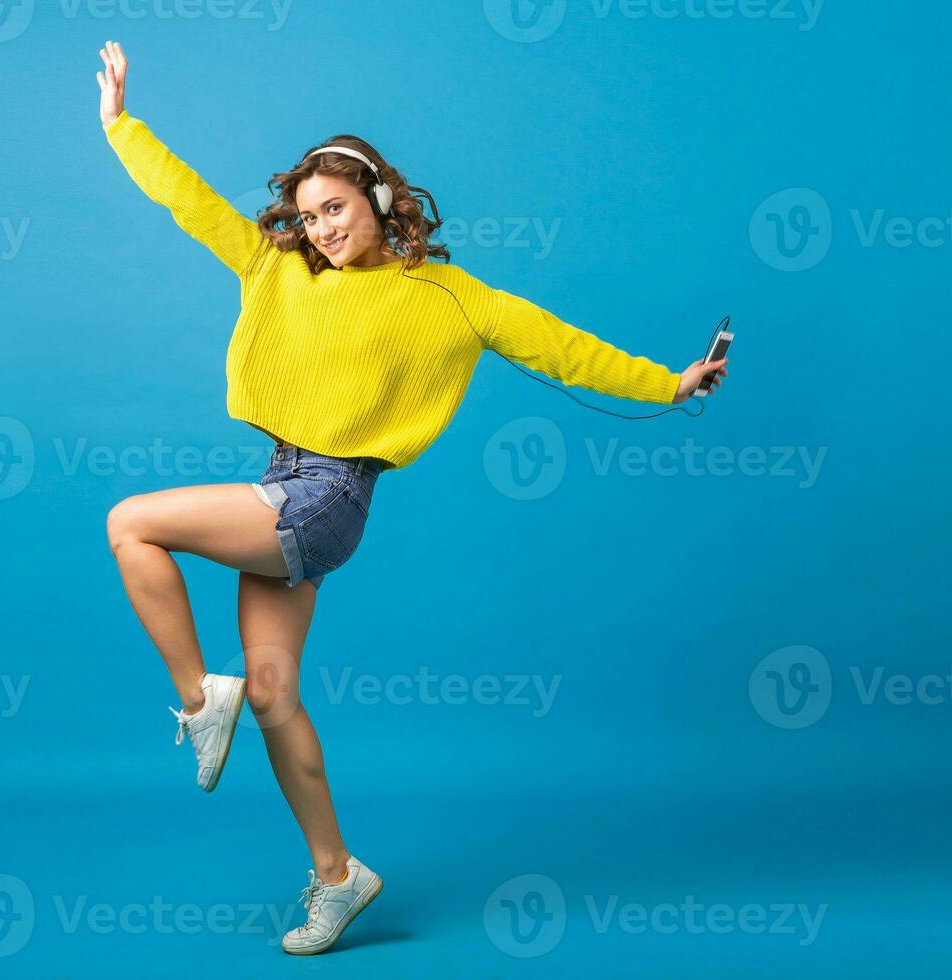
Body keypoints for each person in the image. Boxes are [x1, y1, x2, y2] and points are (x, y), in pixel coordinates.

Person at [95, 39, 728, 955]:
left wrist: (668, 384)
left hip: (327, 499)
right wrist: (122, 127)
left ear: (381, 200)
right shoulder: (279, 273)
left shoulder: (447, 297)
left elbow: (558, 344)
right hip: (285, 480)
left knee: (130, 523)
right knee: (274, 695)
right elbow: (187, 200)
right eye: (308, 215)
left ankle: (198, 703)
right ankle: (337, 877)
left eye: (337, 208)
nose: (320, 228)